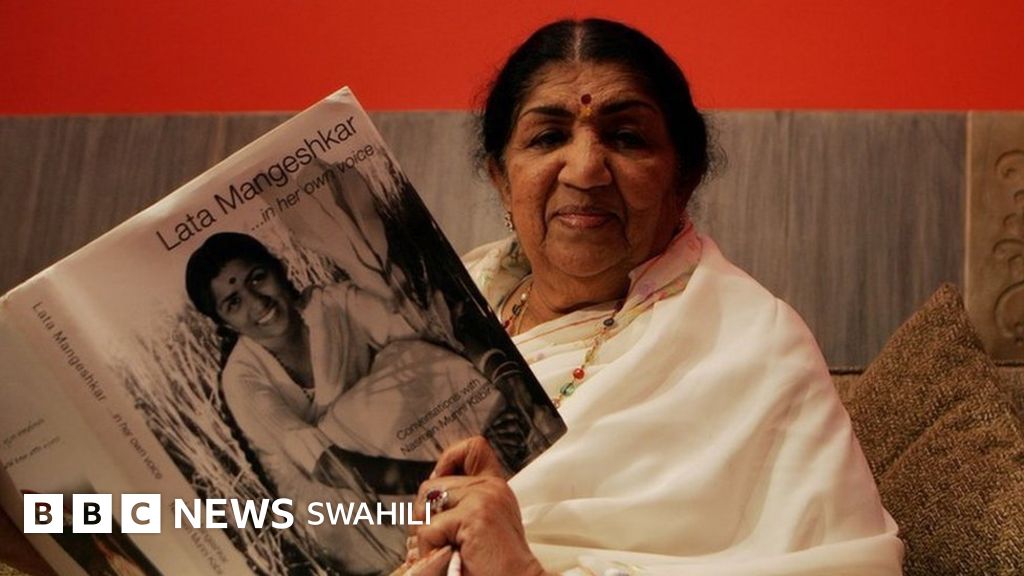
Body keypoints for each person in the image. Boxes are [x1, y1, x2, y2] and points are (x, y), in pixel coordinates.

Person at [400, 18, 904, 576]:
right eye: (548, 138)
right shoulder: (434, 309)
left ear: (683, 178)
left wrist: (519, 569)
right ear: (501, 176)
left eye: (626, 138)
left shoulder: (754, 348)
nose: (585, 170)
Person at [184, 232, 502, 575]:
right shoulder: (242, 378)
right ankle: (463, 489)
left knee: (410, 354)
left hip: (401, 450)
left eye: (257, 278)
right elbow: (325, 464)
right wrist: (443, 481)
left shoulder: (333, 304)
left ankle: (494, 434)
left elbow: (429, 333)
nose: (258, 303)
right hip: (342, 503)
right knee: (349, 418)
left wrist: (505, 374)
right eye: (234, 302)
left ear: (279, 269)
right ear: (225, 323)